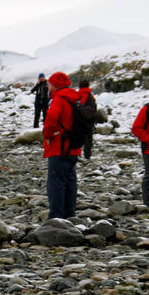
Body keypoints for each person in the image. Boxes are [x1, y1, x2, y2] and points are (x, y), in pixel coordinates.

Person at [42, 71, 81, 219]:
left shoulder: (59, 99)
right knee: (70, 181)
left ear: (55, 85)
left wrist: (48, 135)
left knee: (56, 183)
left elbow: (51, 119)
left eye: (49, 83)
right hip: (74, 147)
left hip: (59, 147)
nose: (48, 86)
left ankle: (56, 216)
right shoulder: (76, 99)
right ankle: (69, 213)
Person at [77, 79, 97, 159]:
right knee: (88, 139)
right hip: (89, 121)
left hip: (80, 120)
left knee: (77, 137)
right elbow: (94, 107)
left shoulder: (78, 95)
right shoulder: (90, 95)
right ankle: (87, 155)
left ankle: (76, 155)